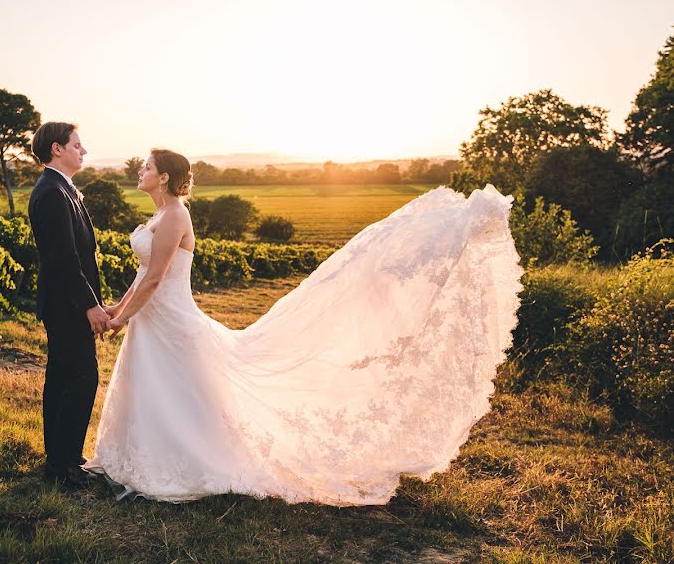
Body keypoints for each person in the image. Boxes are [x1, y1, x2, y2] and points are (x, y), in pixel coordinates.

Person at [84, 148, 523, 506]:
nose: (139, 171)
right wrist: (118, 307)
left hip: (174, 320)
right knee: (157, 387)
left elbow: (159, 278)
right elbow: (144, 277)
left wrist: (122, 317)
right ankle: (143, 457)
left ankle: (190, 462)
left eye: (146, 167)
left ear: (164, 178)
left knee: (182, 391)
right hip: (155, 319)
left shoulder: (176, 215)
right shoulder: (160, 217)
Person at [28, 122, 108, 490]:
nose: (84, 151)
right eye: (78, 145)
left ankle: (62, 457)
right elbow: (63, 259)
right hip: (66, 305)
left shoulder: (64, 189)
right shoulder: (51, 193)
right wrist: (90, 306)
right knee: (78, 378)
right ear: (57, 149)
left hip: (68, 302)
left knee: (64, 378)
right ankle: (63, 466)